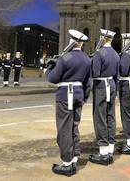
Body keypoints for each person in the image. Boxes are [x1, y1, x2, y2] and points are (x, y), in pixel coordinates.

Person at [46, 30, 91, 177]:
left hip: (65, 95)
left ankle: (67, 163)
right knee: (74, 127)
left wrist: (50, 68)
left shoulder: (65, 58)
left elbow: (53, 78)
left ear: (72, 41)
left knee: (64, 129)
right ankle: (74, 157)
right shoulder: (86, 59)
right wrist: (85, 97)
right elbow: (88, 82)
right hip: (78, 95)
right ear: (81, 43)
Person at [89, 29, 120, 166]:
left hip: (101, 86)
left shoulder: (99, 53)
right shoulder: (116, 54)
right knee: (110, 115)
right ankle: (111, 147)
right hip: (112, 85)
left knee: (100, 116)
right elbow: (117, 75)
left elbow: (95, 73)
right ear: (111, 39)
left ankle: (103, 152)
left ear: (102, 38)